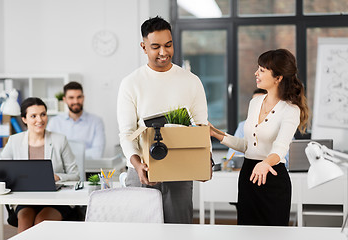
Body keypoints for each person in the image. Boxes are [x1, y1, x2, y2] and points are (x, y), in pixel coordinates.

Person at [117, 16, 208, 224]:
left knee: (179, 232)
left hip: (180, 172)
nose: (163, 52)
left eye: (168, 45)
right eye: (155, 46)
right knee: (140, 233)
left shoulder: (191, 81)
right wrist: (137, 165)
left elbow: (202, 127)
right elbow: (126, 133)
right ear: (143, 46)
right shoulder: (131, 83)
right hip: (141, 172)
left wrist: (205, 161)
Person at [210, 49, 309, 226]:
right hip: (249, 176)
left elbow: (280, 148)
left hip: (273, 178)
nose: (256, 73)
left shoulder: (291, 110)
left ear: (278, 78)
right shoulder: (254, 103)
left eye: (262, 70)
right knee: (247, 231)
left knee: (273, 234)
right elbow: (248, 145)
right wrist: (216, 133)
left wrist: (264, 163)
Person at [0, 97, 80, 233]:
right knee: (24, 221)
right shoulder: (14, 141)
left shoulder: (60, 140)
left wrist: (57, 177)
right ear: (24, 119)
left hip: (56, 200)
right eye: (33, 116)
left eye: (43, 114)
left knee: (41, 221)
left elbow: (75, 175)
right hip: (26, 198)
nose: (40, 120)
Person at [47, 81, 106, 160]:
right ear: (64, 100)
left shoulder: (96, 121)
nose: (76, 101)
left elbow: (97, 153)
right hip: (61, 171)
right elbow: (50, 151)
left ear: (83, 97)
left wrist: (66, 156)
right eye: (71, 98)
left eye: (79, 97)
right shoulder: (54, 122)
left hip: (88, 169)